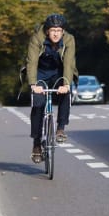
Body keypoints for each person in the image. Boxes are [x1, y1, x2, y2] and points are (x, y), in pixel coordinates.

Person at [26, 13, 78, 163]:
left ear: (63, 31)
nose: (56, 34)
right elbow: (32, 62)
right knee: (37, 104)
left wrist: (66, 84)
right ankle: (36, 144)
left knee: (66, 93)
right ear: (47, 30)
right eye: (53, 30)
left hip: (58, 73)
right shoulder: (37, 38)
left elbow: (68, 63)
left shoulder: (69, 39)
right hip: (40, 74)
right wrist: (33, 84)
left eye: (59, 30)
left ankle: (60, 128)